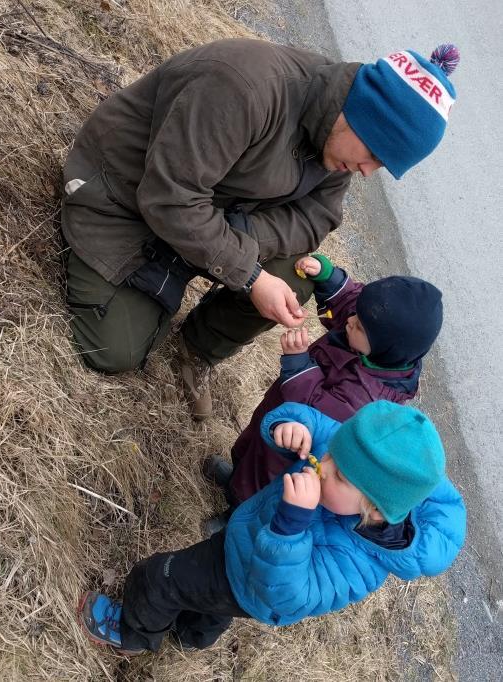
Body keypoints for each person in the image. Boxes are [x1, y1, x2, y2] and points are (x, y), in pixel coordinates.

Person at [62, 39, 459, 419]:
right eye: (374, 154)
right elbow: (170, 197)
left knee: (298, 275)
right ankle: (158, 293)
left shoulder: (338, 140)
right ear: (359, 115)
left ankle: (196, 349)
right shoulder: (242, 87)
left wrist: (237, 237)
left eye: (381, 166)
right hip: (122, 200)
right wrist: (249, 276)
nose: (368, 172)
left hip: (212, 216)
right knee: (113, 351)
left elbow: (317, 216)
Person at [77, 401, 466, 654]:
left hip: (249, 579)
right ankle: (191, 636)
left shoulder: (361, 562)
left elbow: (290, 597)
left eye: (340, 475)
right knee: (211, 606)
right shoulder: (349, 459)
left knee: (162, 577)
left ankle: (133, 633)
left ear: (376, 511)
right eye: (329, 454)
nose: (321, 464)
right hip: (243, 548)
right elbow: (315, 424)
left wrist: (290, 525)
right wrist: (290, 425)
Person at [205, 253, 444, 511]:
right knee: (255, 436)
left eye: (360, 325)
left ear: (386, 348)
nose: (351, 320)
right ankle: (235, 475)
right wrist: (329, 277)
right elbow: (350, 299)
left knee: (264, 471)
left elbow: (314, 409)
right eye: (357, 315)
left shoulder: (368, 395)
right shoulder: (371, 334)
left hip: (294, 439)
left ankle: (237, 511)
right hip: (281, 405)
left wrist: (298, 363)